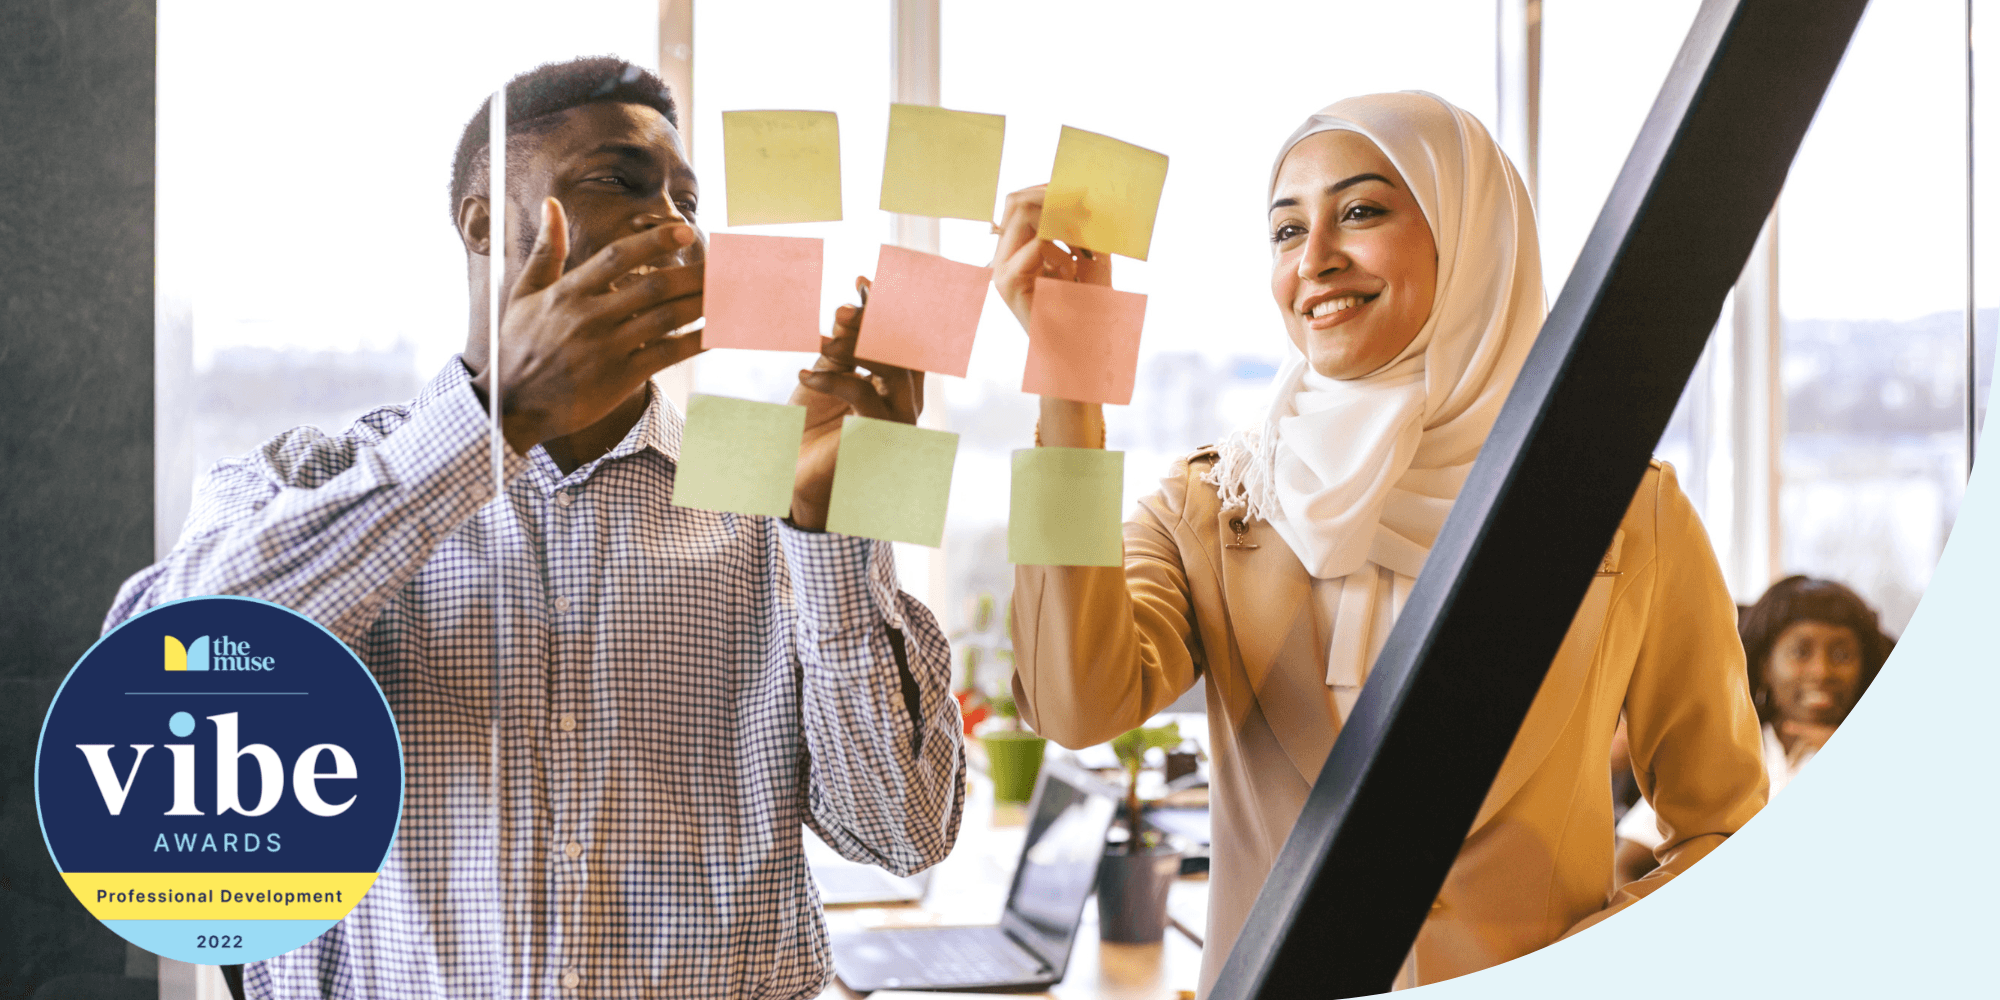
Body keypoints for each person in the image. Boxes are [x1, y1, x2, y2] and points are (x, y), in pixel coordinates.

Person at [105, 57, 964, 999]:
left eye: (687, 198)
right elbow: (145, 714)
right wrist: (489, 424)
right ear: (481, 222)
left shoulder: (774, 501)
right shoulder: (296, 478)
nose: (675, 223)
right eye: (616, 180)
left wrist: (834, 533)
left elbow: (903, 835)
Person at [991, 92, 1768, 993]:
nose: (1315, 259)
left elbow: (1724, 828)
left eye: (1360, 211)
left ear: (1469, 236)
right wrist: (1067, 383)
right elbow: (1072, 703)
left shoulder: (1625, 511)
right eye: (1286, 231)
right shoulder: (1216, 504)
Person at [1616, 575, 1892, 874]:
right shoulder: (1724, 752)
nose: (1821, 671)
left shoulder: (1888, 758)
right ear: (1765, 665)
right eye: (1800, 652)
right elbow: (1625, 865)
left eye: (1841, 655)